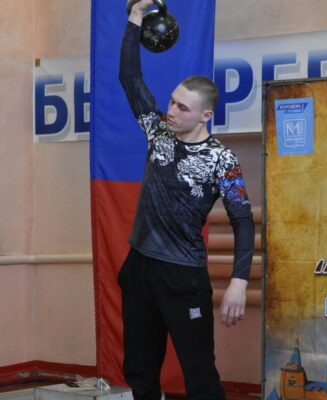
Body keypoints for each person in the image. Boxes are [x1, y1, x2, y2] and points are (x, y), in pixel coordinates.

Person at [117, 1, 255, 399]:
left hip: (183, 276)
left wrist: (239, 283)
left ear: (205, 116)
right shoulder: (157, 132)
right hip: (140, 267)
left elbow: (243, 220)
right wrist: (135, 17)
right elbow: (129, 77)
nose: (171, 111)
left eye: (182, 107)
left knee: (200, 375)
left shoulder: (221, 159)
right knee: (140, 370)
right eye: (172, 101)